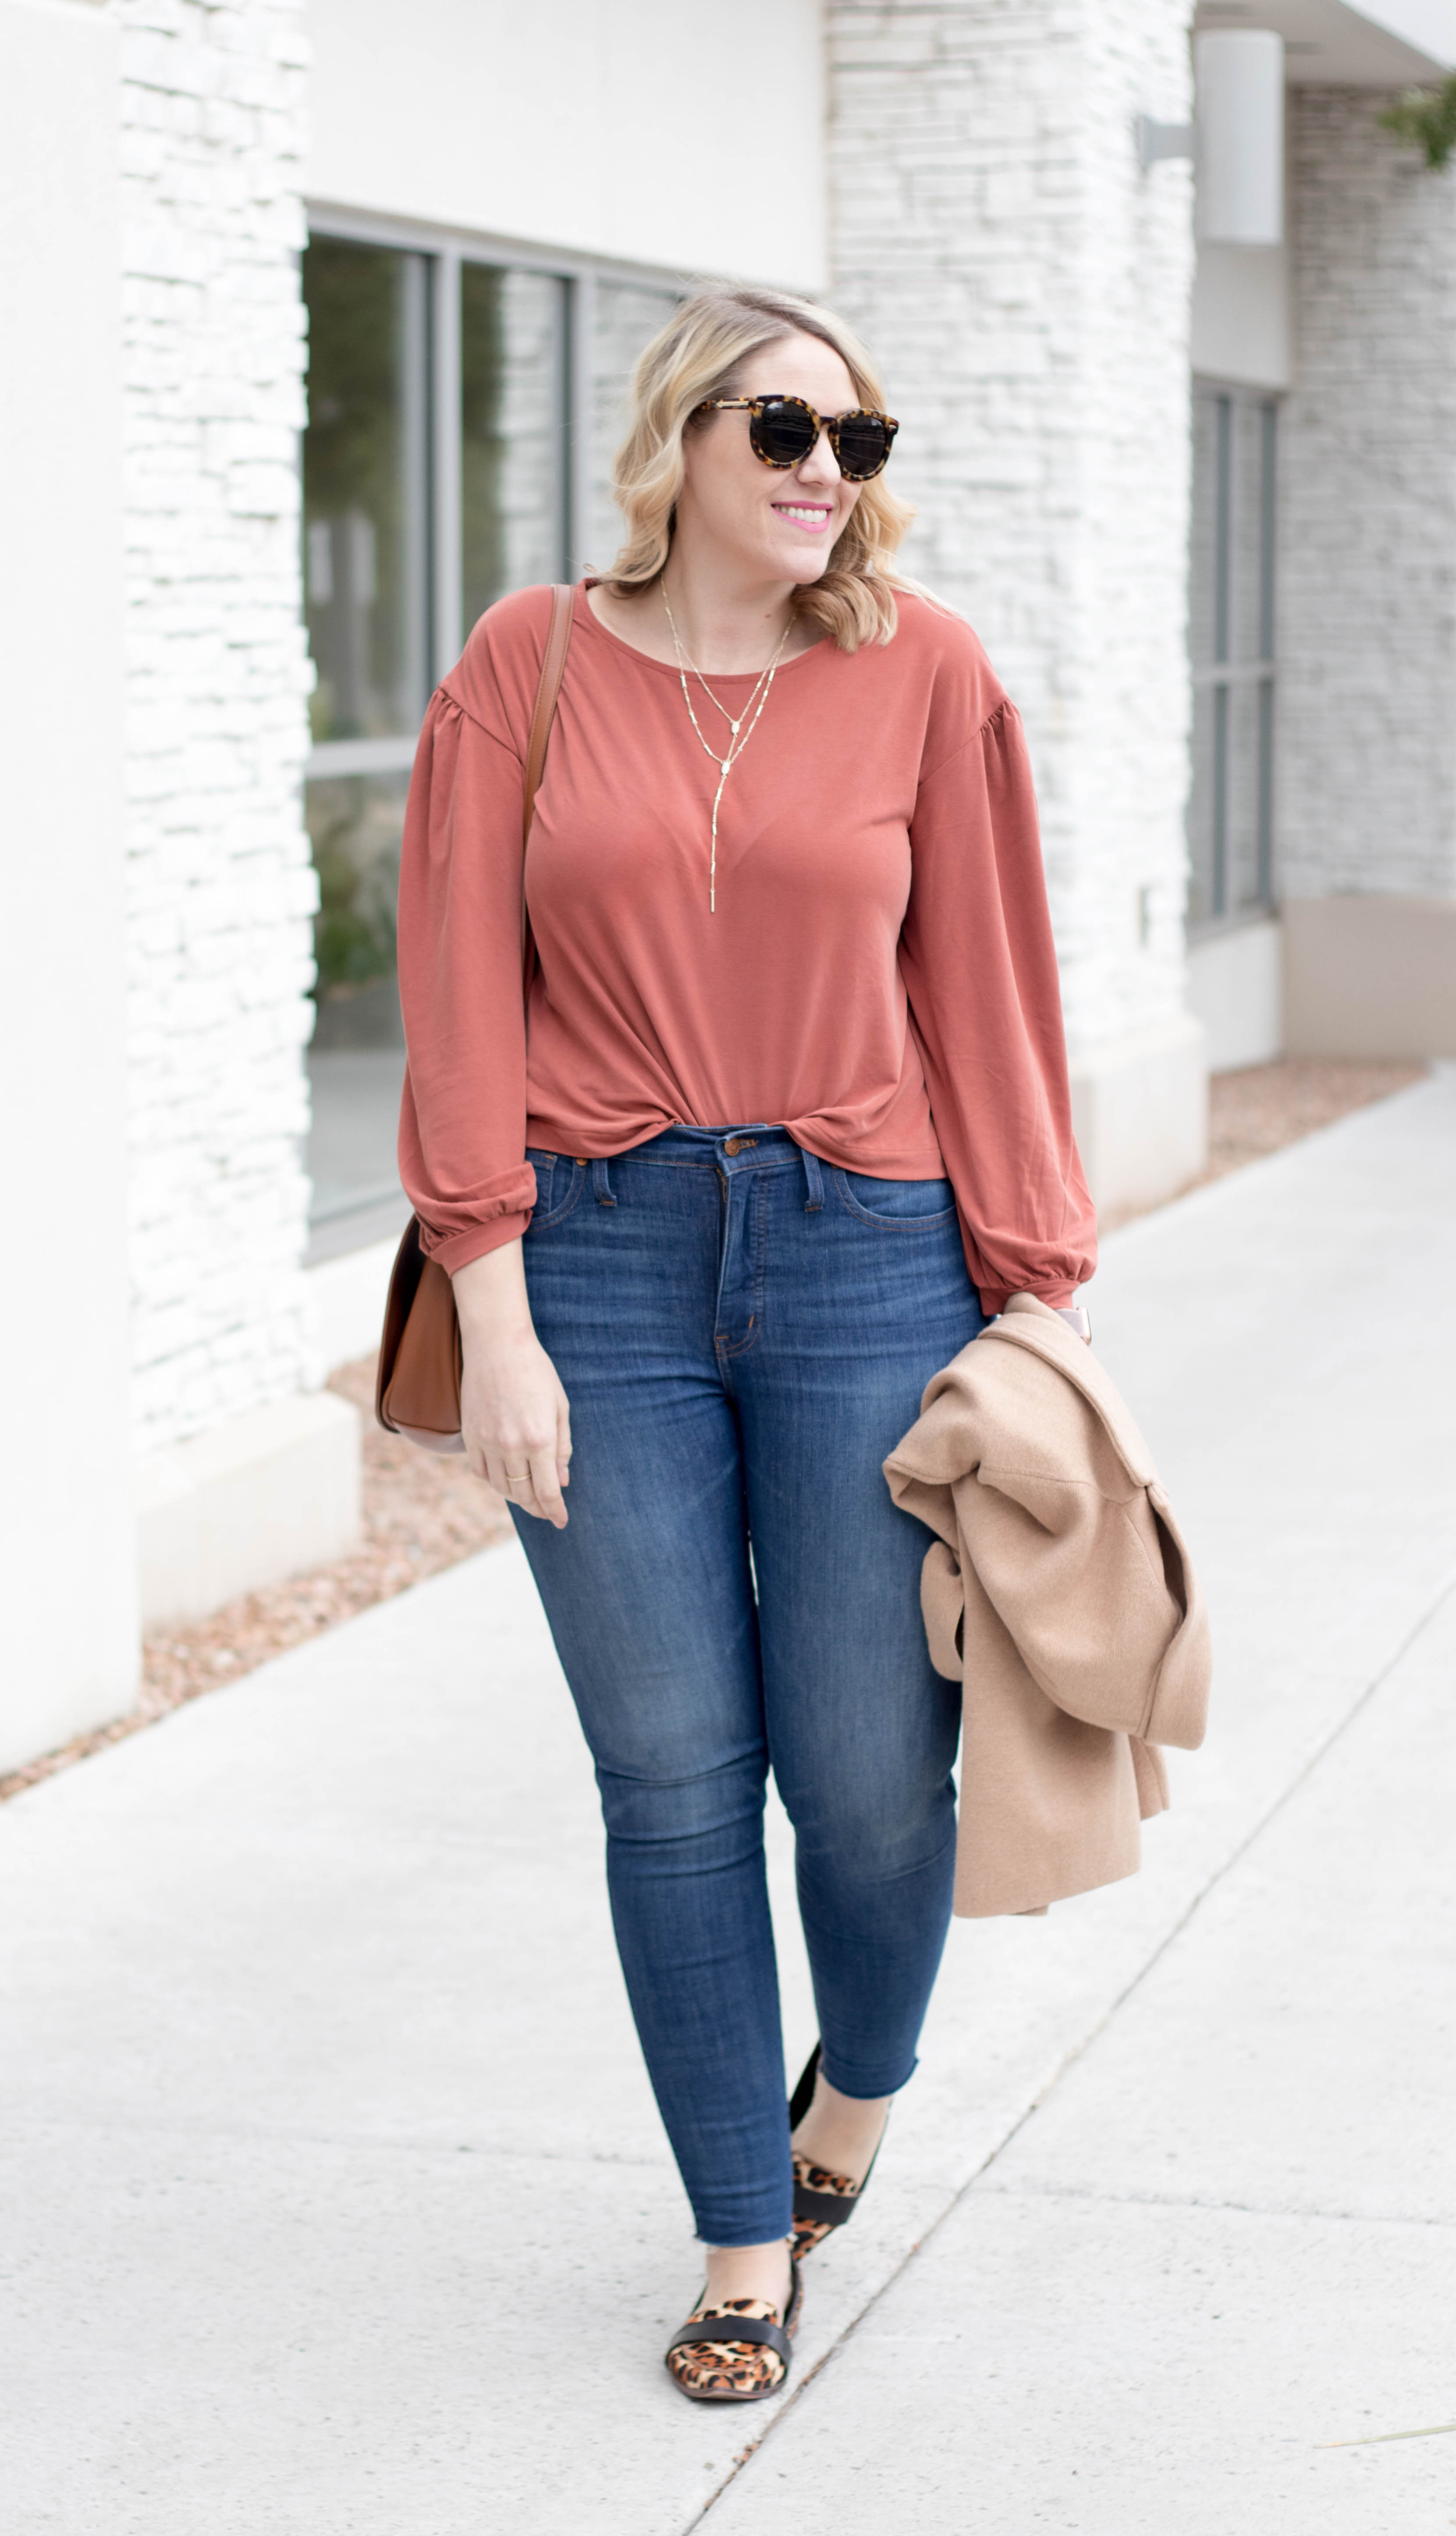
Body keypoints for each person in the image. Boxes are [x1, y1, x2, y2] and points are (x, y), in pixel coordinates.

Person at [395, 283, 1096, 2403]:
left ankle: (853, 2097)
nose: (824, 477)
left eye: (857, 444)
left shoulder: (926, 675)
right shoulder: (526, 662)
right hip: (589, 1263)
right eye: (785, 432)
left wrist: (1039, 1292)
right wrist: (492, 1310)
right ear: (681, 438)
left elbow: (989, 992)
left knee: (874, 1785)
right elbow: (455, 993)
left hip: (868, 1252)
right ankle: (738, 2237)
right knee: (674, 1780)